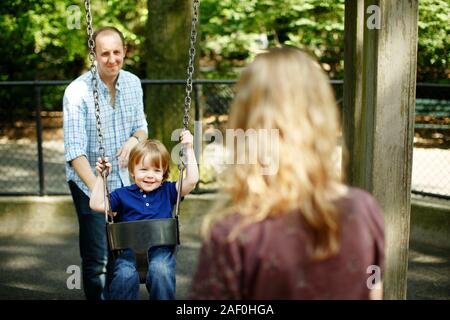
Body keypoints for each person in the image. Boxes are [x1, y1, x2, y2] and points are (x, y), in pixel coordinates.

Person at [189, 47, 385, 300]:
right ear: (323, 116)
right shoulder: (364, 211)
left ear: (244, 123)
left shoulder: (234, 235)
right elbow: (374, 293)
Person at [63, 26, 148, 300]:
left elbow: (142, 127)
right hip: (89, 184)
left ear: (125, 51)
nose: (112, 59)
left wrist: (134, 141)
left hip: (124, 181)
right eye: (105, 54)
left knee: (122, 256)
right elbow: (76, 152)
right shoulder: (77, 92)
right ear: (94, 55)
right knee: (97, 259)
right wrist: (100, 195)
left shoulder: (133, 83)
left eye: (117, 52)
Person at [89, 130, 199, 300]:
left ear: (164, 173)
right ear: (132, 171)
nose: (150, 175)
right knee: (125, 275)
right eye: (143, 169)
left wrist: (189, 149)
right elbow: (96, 204)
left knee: (160, 270)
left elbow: (191, 181)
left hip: (161, 251)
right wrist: (101, 177)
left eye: (156, 170)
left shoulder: (168, 191)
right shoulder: (122, 194)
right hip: (128, 254)